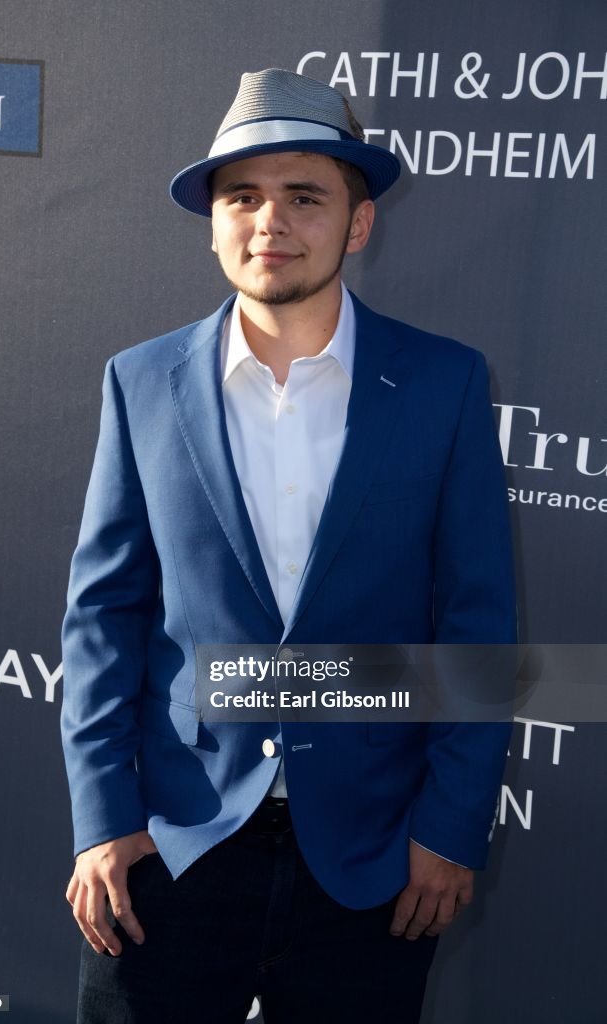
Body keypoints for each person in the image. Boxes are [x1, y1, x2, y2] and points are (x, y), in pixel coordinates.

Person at [61, 68, 516, 1024]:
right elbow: (104, 619)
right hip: (175, 847)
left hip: (373, 858)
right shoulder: (139, 382)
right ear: (214, 222)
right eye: (243, 197)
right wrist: (103, 821)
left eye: (303, 196)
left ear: (356, 223)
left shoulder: (441, 384)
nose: (270, 221)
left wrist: (449, 827)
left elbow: (477, 620)